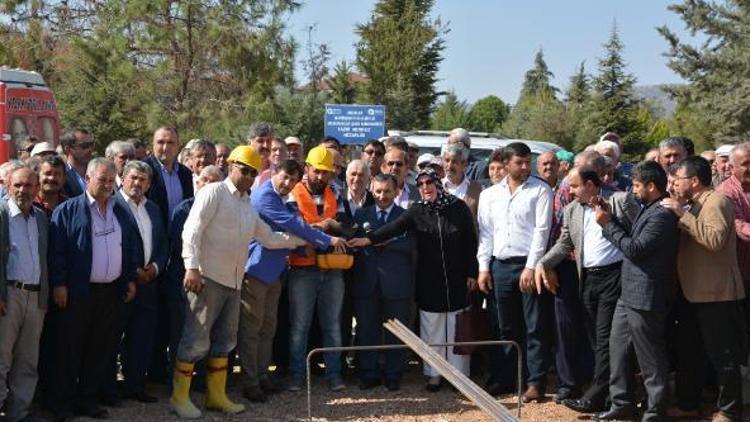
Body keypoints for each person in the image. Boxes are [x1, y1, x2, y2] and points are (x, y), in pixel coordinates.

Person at [169, 146, 305, 419]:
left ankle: (216, 396)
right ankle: (179, 397)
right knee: (194, 341)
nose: (247, 176)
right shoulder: (213, 193)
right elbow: (191, 230)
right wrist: (191, 267)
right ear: (231, 165)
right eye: (244, 170)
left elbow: (267, 237)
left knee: (225, 342)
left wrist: (304, 239)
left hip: (233, 281)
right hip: (206, 279)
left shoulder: (246, 203)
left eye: (252, 173)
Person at [348, 168, 477, 392]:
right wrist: (370, 240)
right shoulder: (417, 210)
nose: (426, 187)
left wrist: (472, 272)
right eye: (421, 184)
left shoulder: (458, 207)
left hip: (457, 278)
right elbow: (393, 228)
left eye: (430, 182)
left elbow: (470, 240)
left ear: (438, 184)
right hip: (429, 279)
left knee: (456, 327)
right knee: (432, 327)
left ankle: (458, 377)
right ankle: (434, 375)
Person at [240, 159, 347, 402]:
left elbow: (292, 227)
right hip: (256, 271)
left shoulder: (280, 198)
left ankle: (262, 376)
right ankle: (250, 382)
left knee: (267, 329)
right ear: (274, 173)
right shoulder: (264, 196)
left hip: (274, 271)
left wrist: (302, 246)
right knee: (251, 331)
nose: (287, 183)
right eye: (284, 177)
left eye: (293, 180)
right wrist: (326, 240)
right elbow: (293, 225)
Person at [535, 166, 639, 413]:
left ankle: (597, 394)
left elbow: (639, 233)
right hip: (589, 281)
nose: (568, 191)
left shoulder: (619, 201)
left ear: (590, 185)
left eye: (573, 186)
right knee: (596, 339)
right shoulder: (572, 210)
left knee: (605, 340)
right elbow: (565, 244)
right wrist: (542, 263)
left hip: (615, 277)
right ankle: (610, 394)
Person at [48, 158, 139, 421]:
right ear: (88, 178)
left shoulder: (120, 210)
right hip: (77, 292)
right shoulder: (67, 211)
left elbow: (130, 246)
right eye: (102, 180)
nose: (108, 185)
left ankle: (87, 400)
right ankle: (62, 404)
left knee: (99, 349)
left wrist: (130, 278)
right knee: (69, 349)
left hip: (110, 292)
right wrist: (59, 284)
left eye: (112, 181)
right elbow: (57, 252)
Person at [662, 156, 747, 421]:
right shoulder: (695, 203)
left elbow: (714, 240)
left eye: (680, 179)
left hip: (716, 295)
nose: (675, 184)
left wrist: (681, 214)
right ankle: (689, 404)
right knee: (691, 352)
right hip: (693, 293)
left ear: (695, 181)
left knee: (724, 356)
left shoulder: (717, 202)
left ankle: (730, 410)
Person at [593, 161, 679, 421]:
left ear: (652, 186)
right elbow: (634, 236)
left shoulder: (662, 214)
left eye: (638, 185)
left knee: (650, 357)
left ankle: (655, 410)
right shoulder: (649, 207)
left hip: (646, 296)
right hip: (628, 293)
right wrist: (612, 218)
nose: (632, 190)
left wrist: (607, 226)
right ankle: (622, 403)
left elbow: (636, 249)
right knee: (617, 349)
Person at [477, 142, 552, 402]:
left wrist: (531, 266)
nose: (524, 166)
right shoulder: (489, 195)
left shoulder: (540, 190)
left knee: (534, 326)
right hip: (500, 265)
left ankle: (535, 382)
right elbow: (486, 233)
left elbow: (542, 232)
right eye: (519, 162)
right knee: (502, 326)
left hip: (528, 265)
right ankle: (504, 378)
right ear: (506, 163)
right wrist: (484, 268)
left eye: (527, 162)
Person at [285, 145, 353, 393]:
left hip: (332, 268)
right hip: (302, 268)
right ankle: (296, 377)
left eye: (326, 172)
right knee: (300, 326)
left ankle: (334, 376)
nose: (322, 177)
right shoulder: (294, 191)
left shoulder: (335, 193)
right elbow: (295, 226)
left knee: (332, 325)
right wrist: (326, 225)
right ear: (307, 168)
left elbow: (346, 228)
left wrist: (323, 227)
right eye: (317, 171)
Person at [108, 161, 169, 403]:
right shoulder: (112, 206)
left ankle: (135, 385)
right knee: (112, 339)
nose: (137, 183)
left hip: (149, 284)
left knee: (142, 338)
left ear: (149, 184)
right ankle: (109, 389)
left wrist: (154, 268)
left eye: (143, 180)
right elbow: (112, 244)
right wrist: (132, 272)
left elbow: (164, 244)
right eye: (133, 178)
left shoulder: (153, 208)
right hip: (121, 284)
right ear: (122, 178)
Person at [350, 174, 415, 392]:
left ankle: (393, 373)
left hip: (396, 283)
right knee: (366, 330)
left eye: (387, 191)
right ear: (371, 191)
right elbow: (354, 243)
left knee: (396, 332)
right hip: (367, 282)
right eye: (377, 191)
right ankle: (368, 373)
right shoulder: (361, 214)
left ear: (396, 191)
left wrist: (387, 243)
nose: (382, 196)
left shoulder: (405, 216)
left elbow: (412, 244)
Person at [163, 166, 223, 389]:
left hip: (214, 281)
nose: (206, 184)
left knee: (206, 334)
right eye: (203, 179)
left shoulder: (224, 209)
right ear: (195, 182)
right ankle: (177, 383)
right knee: (181, 334)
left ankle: (201, 381)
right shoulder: (183, 209)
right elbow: (182, 246)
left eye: (213, 180)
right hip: (185, 279)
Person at [143, 126, 194, 382]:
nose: (165, 147)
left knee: (175, 315)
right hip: (151, 252)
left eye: (171, 142)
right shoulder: (145, 170)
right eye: (160, 142)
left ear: (178, 145)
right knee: (152, 317)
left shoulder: (186, 174)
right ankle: (152, 373)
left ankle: (171, 372)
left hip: (180, 253)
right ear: (152, 144)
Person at [0, 166, 49, 422]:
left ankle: (19, 414)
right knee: (1, 359)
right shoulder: (2, 213)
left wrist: (44, 298)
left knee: (28, 361)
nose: (23, 190)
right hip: (8, 296)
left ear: (36, 189)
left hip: (35, 297)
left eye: (29, 185)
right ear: (7, 185)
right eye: (18, 185)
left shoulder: (40, 217)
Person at [717, 142, 750, 329]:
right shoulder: (726, 192)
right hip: (740, 278)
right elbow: (740, 228)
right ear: (731, 167)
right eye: (746, 163)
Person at [442, 143, 482, 218]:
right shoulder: (436, 186)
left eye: (454, 162)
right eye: (447, 161)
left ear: (464, 164)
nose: (449, 166)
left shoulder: (476, 188)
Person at [60, 129, 94, 197]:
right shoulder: (61, 175)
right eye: (84, 146)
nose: (90, 149)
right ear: (68, 149)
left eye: (91, 145)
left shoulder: (96, 171)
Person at [248, 122, 275, 189]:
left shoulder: (278, 172)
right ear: (250, 142)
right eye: (260, 141)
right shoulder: (242, 170)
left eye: (269, 141)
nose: (265, 146)